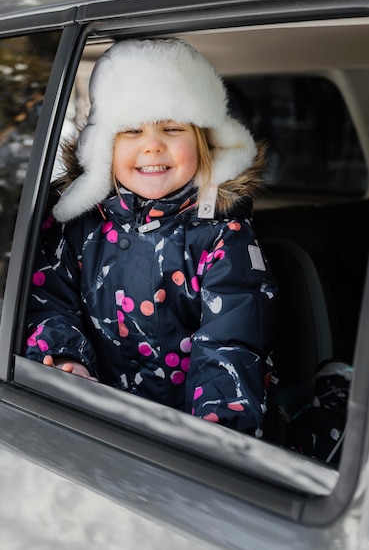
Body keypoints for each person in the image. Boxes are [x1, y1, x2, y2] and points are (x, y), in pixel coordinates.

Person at [25, 38, 278, 437]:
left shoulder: (222, 236)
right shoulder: (77, 226)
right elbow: (48, 302)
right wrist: (64, 355)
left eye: (173, 127)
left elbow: (230, 343)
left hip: (182, 437)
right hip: (96, 425)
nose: (153, 144)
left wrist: (215, 436)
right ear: (103, 145)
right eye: (131, 130)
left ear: (204, 141)